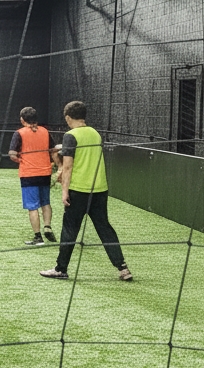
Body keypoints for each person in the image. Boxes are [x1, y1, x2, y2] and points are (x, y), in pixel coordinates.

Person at [40, 100, 134, 281]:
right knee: (105, 229)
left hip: (79, 190)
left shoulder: (70, 135)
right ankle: (123, 268)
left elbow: (67, 167)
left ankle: (60, 269)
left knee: (69, 230)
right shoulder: (96, 134)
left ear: (68, 117)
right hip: (99, 190)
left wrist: (64, 191)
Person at [9, 106, 59, 246]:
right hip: (45, 172)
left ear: (22, 120)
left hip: (28, 173)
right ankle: (47, 226)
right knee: (45, 202)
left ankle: (38, 237)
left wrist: (21, 160)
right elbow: (54, 151)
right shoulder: (45, 132)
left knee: (33, 207)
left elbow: (12, 154)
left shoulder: (19, 133)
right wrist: (59, 166)